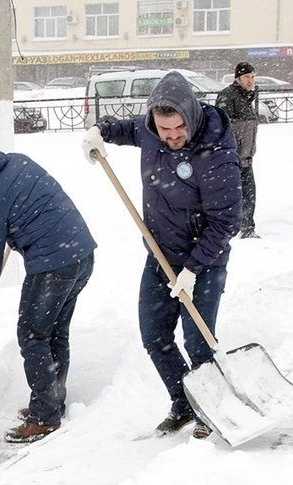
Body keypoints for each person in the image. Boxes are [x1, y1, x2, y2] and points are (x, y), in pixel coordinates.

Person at [82, 71, 242, 439]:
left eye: (178, 129)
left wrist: (193, 268)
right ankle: (184, 402)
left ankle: (212, 410)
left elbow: (227, 221)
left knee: (198, 342)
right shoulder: (152, 130)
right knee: (155, 337)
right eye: (163, 129)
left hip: (203, 261)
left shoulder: (216, 154)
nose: (171, 137)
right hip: (159, 256)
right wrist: (101, 131)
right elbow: (126, 129)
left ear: (191, 115)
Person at [0, 152, 96, 443]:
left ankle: (45, 417)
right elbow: (35, 200)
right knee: (54, 332)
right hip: (81, 253)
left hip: (53, 264)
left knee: (32, 335)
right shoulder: (14, 162)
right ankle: (52, 402)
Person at [216, 61, 260, 239]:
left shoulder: (248, 96)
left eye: (252, 77)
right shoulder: (228, 96)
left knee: (248, 193)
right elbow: (222, 127)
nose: (251, 81)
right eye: (247, 77)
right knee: (230, 195)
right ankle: (226, 229)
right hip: (231, 158)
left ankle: (247, 228)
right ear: (238, 78)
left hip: (245, 157)